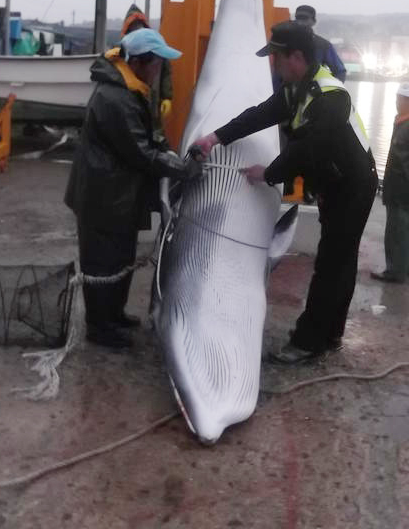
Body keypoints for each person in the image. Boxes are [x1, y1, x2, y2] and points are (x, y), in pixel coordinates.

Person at [191, 20, 378, 364]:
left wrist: (268, 174)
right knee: (340, 258)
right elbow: (260, 115)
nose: (273, 64)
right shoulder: (297, 90)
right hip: (335, 180)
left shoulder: (330, 97)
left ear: (296, 57)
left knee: (331, 263)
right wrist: (215, 138)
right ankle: (331, 333)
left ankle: (308, 342)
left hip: (353, 186)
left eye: (276, 57)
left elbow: (307, 150)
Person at [65, 28, 200, 349]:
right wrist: (183, 169)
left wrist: (167, 150)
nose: (159, 71)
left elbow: (147, 137)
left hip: (118, 194)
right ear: (140, 63)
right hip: (103, 197)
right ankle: (100, 326)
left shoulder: (129, 88)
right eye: (157, 64)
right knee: (103, 262)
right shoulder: (116, 98)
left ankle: (114, 314)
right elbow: (140, 152)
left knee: (121, 257)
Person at [371, 82, 409, 284]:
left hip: (401, 189)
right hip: (396, 187)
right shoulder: (400, 122)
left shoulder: (406, 126)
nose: (396, 102)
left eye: (399, 99)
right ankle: (402, 267)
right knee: (400, 228)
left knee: (397, 230)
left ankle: (395, 271)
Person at [120, 4, 173, 144]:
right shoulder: (122, 51)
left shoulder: (156, 46)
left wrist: (167, 97)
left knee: (154, 128)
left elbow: (166, 70)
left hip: (153, 99)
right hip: (135, 101)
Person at [294, 4, 347, 83]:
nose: (300, 22)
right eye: (298, 18)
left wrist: (330, 89)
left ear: (313, 22)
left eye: (305, 19)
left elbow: (340, 72)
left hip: (313, 88)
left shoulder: (323, 45)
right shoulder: (284, 42)